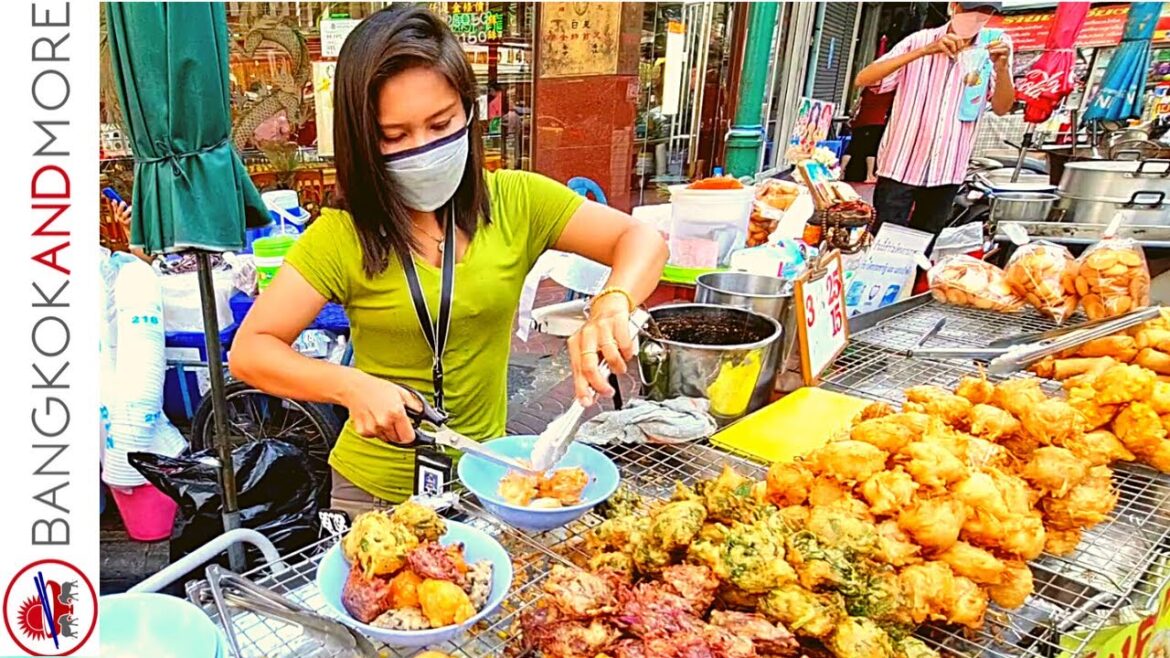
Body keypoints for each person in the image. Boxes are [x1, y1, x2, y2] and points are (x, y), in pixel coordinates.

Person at [229, 6, 668, 515]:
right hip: (371, 492)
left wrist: (611, 305)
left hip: (487, 475)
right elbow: (251, 350)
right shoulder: (341, 235)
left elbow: (641, 239)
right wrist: (349, 386)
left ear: (469, 112)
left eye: (441, 123)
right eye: (394, 136)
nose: (424, 148)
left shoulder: (516, 202)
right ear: (362, 139)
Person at [854, 1, 1014, 237]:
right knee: (885, 244)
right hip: (901, 164)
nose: (976, 17)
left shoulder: (994, 47)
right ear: (953, 6)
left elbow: (1002, 107)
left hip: (948, 169)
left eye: (985, 11)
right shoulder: (919, 40)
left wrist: (1002, 69)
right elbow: (864, 78)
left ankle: (917, 275)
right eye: (969, 9)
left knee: (926, 243)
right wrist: (924, 51)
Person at [841, 87, 895, 183]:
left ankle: (841, 172)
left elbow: (858, 103)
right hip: (877, 122)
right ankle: (869, 175)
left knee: (852, 147)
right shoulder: (890, 90)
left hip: (860, 121)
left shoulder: (869, 88)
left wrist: (852, 114)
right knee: (871, 149)